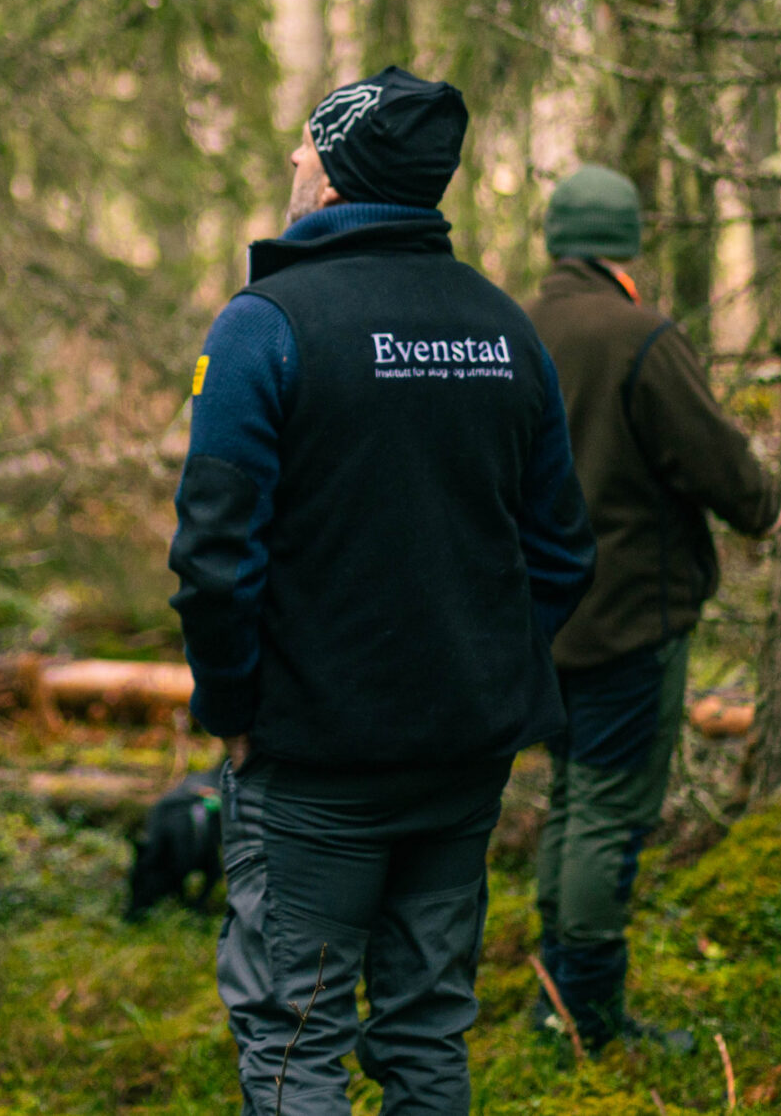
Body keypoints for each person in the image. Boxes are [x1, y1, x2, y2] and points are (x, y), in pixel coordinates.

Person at [168, 67, 596, 1116]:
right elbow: (563, 551)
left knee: (294, 1034)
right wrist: (480, 673)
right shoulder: (504, 329)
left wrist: (233, 713)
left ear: (339, 169)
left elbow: (213, 559)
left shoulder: (260, 327)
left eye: (308, 144)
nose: (292, 159)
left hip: (312, 764)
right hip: (462, 756)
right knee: (424, 1031)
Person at [523, 165, 781, 1053]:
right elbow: (718, 464)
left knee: (570, 796)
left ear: (559, 242)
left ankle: (554, 995)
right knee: (607, 808)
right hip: (630, 616)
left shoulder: (511, 332)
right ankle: (588, 1018)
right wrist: (766, 506)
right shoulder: (640, 337)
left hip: (537, 624)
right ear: (625, 247)